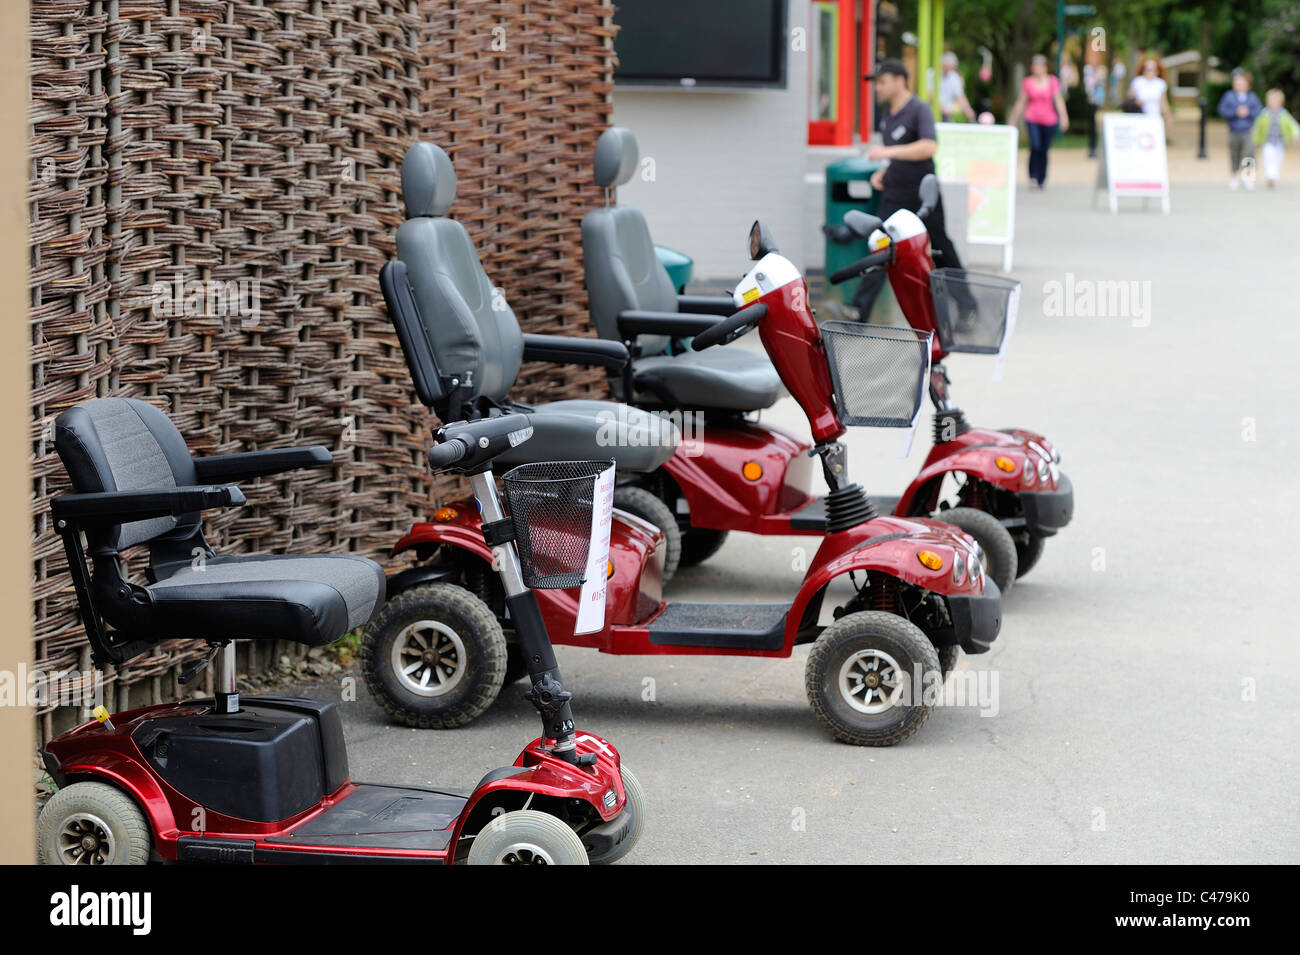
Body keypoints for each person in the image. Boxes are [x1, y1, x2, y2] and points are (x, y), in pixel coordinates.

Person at [849, 59, 964, 320]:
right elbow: (899, 156)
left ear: (900, 81)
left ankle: (967, 305)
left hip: (923, 194)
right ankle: (858, 311)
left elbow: (928, 147)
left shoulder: (918, 109)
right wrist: (884, 171)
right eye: (875, 83)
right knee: (880, 245)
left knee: (941, 248)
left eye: (882, 82)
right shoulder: (887, 116)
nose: (877, 88)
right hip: (894, 194)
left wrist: (886, 152)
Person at [1006, 54, 1069, 189]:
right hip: (1032, 118)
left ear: (1045, 67)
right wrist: (1013, 120)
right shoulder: (1028, 82)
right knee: (1035, 146)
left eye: (1040, 66)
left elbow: (1058, 100)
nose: (1037, 69)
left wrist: (1064, 116)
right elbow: (1021, 102)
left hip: (1049, 120)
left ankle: (1042, 177)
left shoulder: (1052, 81)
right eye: (1035, 66)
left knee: (1044, 149)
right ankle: (1033, 176)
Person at [1219, 68, 1263, 191]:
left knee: (1250, 152)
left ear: (1247, 85)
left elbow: (1259, 111)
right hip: (1234, 130)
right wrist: (1235, 112)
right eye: (1237, 83)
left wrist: (1248, 112)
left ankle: (1248, 177)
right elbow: (1222, 110)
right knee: (1234, 153)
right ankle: (1234, 176)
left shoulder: (1252, 97)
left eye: (1241, 83)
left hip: (1248, 130)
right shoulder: (1229, 96)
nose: (1239, 85)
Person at [1252, 88, 1300, 189]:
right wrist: (1256, 141)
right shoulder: (1264, 114)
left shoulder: (1284, 114)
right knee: (1269, 158)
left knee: (1278, 160)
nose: (1272, 103)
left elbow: (1293, 126)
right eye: (1270, 101)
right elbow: (1257, 128)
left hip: (1280, 143)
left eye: (1275, 101)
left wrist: (1296, 137)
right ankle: (1271, 177)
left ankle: (1273, 175)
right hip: (1267, 142)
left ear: (1280, 102)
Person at [1128, 57, 1173, 128]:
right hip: (1139, 118)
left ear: (1157, 71)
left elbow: (1163, 103)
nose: (1149, 71)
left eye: (1152, 69)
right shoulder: (1137, 81)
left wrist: (1168, 117)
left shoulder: (1160, 83)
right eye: (1147, 69)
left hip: (1155, 118)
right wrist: (1136, 102)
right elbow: (1130, 99)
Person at [938, 52, 975, 122]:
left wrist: (968, 110)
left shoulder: (954, 76)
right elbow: (930, 95)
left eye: (952, 67)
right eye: (947, 67)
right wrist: (941, 108)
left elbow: (960, 96)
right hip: (933, 113)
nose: (949, 70)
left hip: (946, 114)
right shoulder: (931, 75)